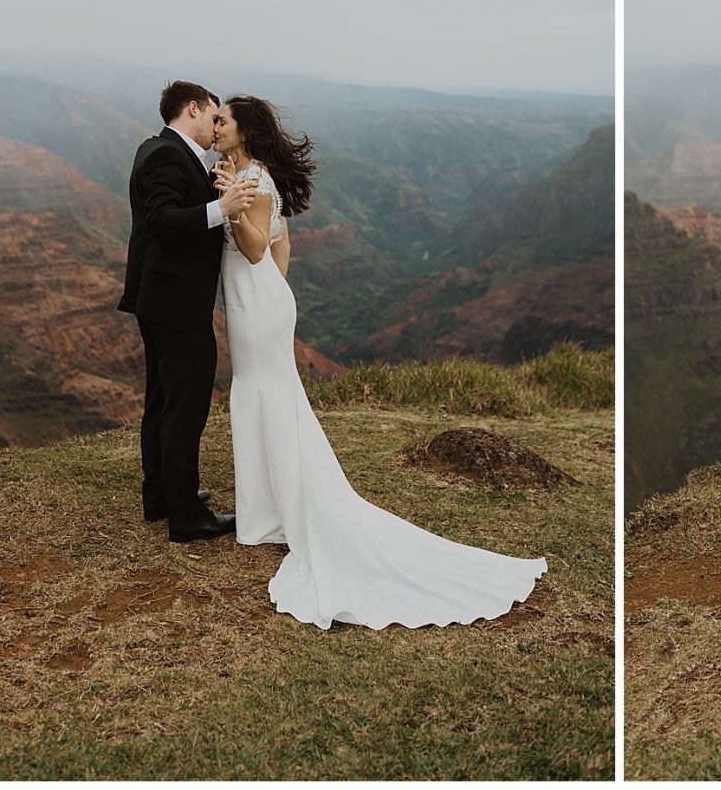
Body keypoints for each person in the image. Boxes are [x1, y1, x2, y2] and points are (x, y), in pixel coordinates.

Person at [213, 94, 547, 629]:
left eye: (223, 120)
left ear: (245, 130)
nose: (216, 126)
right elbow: (283, 246)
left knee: (262, 393)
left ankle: (268, 517)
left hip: (257, 305)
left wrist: (232, 206)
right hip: (262, 300)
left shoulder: (249, 180)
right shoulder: (250, 173)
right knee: (264, 393)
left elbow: (256, 247)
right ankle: (267, 513)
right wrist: (273, 286)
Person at [118, 81, 257, 543]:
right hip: (175, 302)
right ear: (192, 109)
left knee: (161, 400)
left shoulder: (158, 149)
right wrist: (221, 208)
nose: (216, 125)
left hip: (160, 298)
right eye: (213, 115)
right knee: (185, 405)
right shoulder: (165, 155)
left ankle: (162, 494)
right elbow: (159, 220)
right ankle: (185, 517)